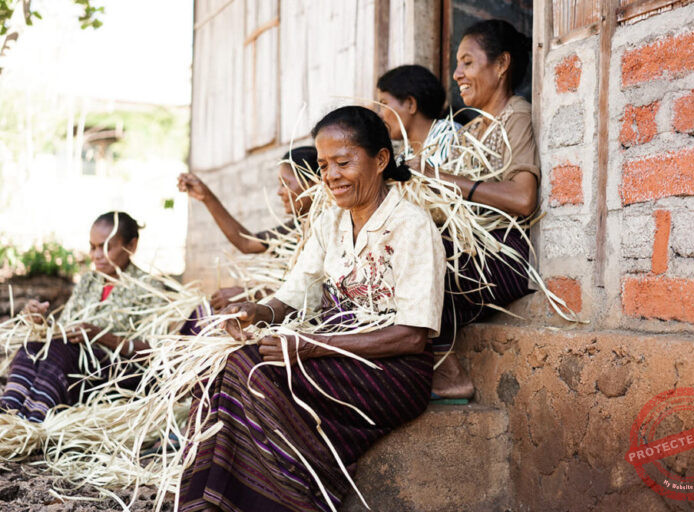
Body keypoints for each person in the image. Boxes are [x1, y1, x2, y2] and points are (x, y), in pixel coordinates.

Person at [178, 106, 446, 512]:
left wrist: (312, 346)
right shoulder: (329, 224)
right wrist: (255, 313)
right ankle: (214, 500)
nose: (331, 176)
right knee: (229, 363)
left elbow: (411, 336)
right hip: (333, 350)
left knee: (250, 372)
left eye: (343, 162)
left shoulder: (410, 225)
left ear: (380, 160)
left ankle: (279, 500)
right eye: (323, 165)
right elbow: (294, 295)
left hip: (392, 371)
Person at [417, 19, 540, 400]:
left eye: (467, 62)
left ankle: (449, 372)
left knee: (426, 265)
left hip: (502, 256)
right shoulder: (469, 132)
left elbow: (523, 199)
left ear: (501, 65)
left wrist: (447, 180)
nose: (457, 74)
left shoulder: (515, 115)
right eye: (458, 64)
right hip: (470, 250)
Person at [0, 212, 164, 422]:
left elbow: (156, 351)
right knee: (31, 348)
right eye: (93, 247)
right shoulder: (89, 281)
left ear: (131, 246)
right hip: (74, 361)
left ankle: (35, 421)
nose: (97, 255)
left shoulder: (149, 287)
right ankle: (8, 416)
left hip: (117, 372)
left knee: (59, 352)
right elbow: (66, 330)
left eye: (106, 247)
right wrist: (42, 323)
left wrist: (102, 337)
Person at [177, 146, 319, 310]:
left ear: (313, 183)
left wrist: (250, 294)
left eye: (286, 183)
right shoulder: (296, 228)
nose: (279, 192)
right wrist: (206, 197)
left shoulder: (329, 228)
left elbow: (314, 291)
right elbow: (246, 243)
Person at [376, 64, 460, 167]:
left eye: (384, 104)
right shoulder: (405, 155)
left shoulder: (450, 137)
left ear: (411, 104)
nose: (380, 114)